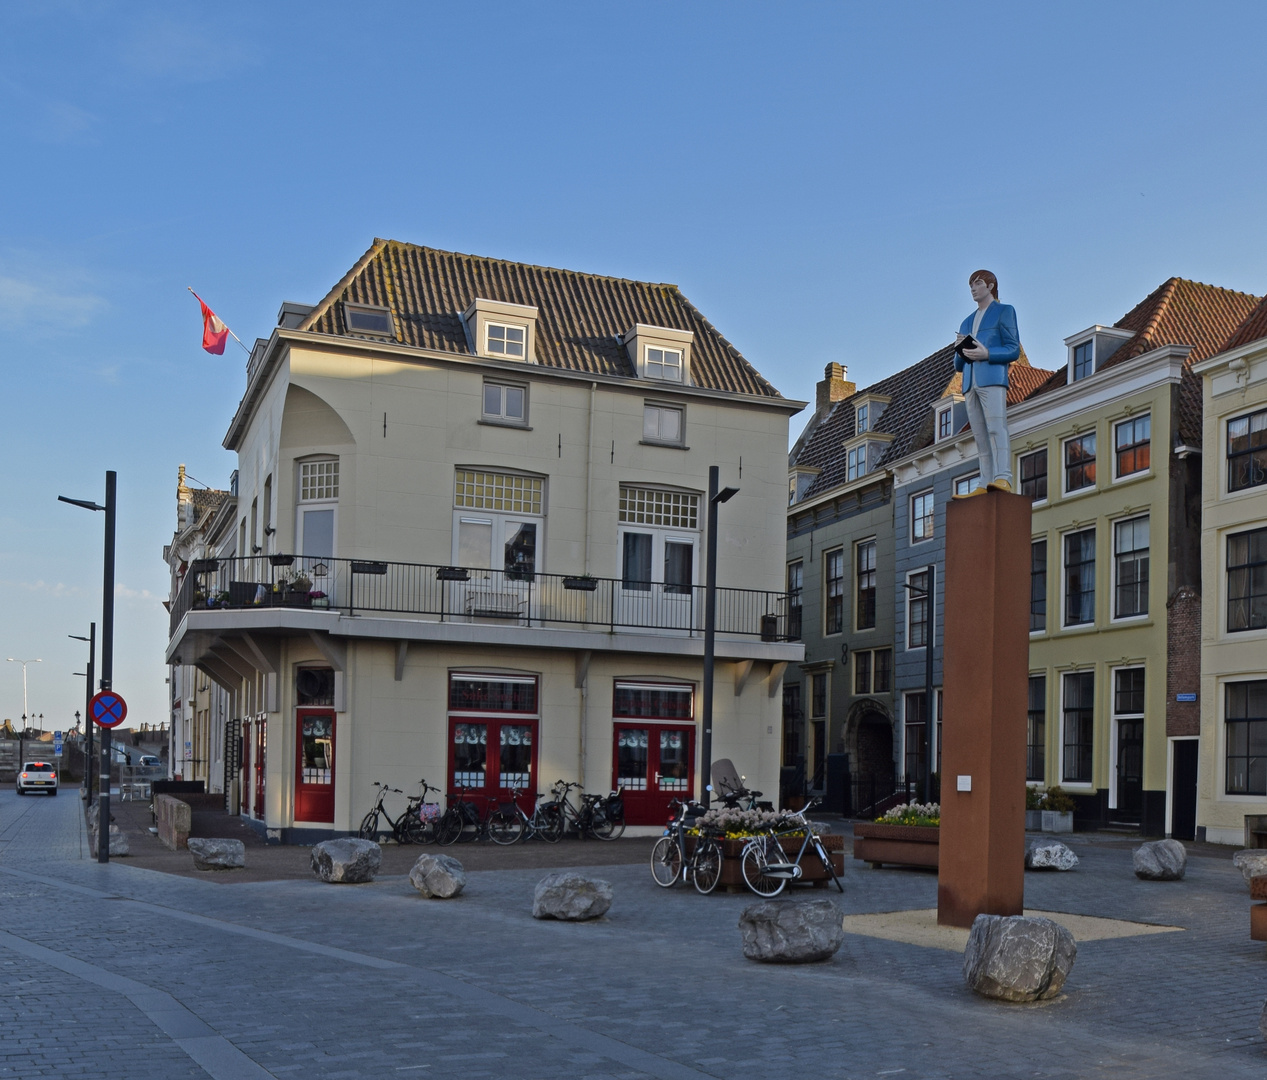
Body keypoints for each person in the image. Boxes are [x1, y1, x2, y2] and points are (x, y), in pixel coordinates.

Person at [953, 270, 1020, 494]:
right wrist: (961, 349)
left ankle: (1003, 477)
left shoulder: (1004, 311)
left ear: (991, 286)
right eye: (970, 284)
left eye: (978, 283)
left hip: (992, 378)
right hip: (970, 382)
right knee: (979, 435)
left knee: (996, 428)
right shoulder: (966, 322)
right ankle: (984, 480)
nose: (973, 288)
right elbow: (957, 365)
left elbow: (1013, 349)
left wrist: (987, 353)